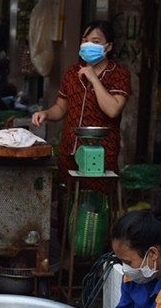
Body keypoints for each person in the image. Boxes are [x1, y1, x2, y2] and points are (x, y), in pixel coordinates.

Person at [30, 20, 132, 189]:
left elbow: (113, 110)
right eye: (85, 40)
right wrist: (46, 114)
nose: (87, 44)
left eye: (96, 41)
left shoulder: (120, 75)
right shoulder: (72, 72)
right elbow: (61, 108)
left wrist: (93, 78)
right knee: (68, 199)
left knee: (96, 202)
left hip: (102, 154)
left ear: (108, 47)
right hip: (69, 150)